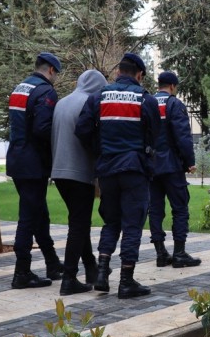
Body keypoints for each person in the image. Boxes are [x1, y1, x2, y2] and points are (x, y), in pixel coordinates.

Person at [75, 53, 160, 299]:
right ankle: (126, 281)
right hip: (134, 169)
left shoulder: (98, 97)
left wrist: (101, 150)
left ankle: (101, 275)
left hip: (108, 171)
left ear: (117, 72)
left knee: (111, 222)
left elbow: (82, 129)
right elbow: (154, 136)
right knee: (132, 224)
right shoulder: (145, 99)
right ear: (139, 74)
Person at [6, 52, 64, 289]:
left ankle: (52, 263)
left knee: (39, 214)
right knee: (29, 217)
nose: (56, 79)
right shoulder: (45, 91)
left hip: (18, 159)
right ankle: (22, 271)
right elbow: (43, 128)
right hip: (33, 163)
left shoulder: (20, 88)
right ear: (50, 69)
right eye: (56, 74)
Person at [51, 70, 107, 295]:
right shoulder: (89, 102)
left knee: (79, 221)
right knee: (78, 225)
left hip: (59, 171)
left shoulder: (62, 102)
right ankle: (70, 278)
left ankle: (91, 268)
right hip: (79, 171)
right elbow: (90, 137)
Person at [148, 71, 201, 268]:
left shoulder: (148, 102)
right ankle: (179, 253)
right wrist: (190, 161)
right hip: (171, 166)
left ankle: (161, 253)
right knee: (179, 208)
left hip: (151, 166)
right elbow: (183, 136)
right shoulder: (174, 104)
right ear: (172, 86)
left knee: (155, 210)